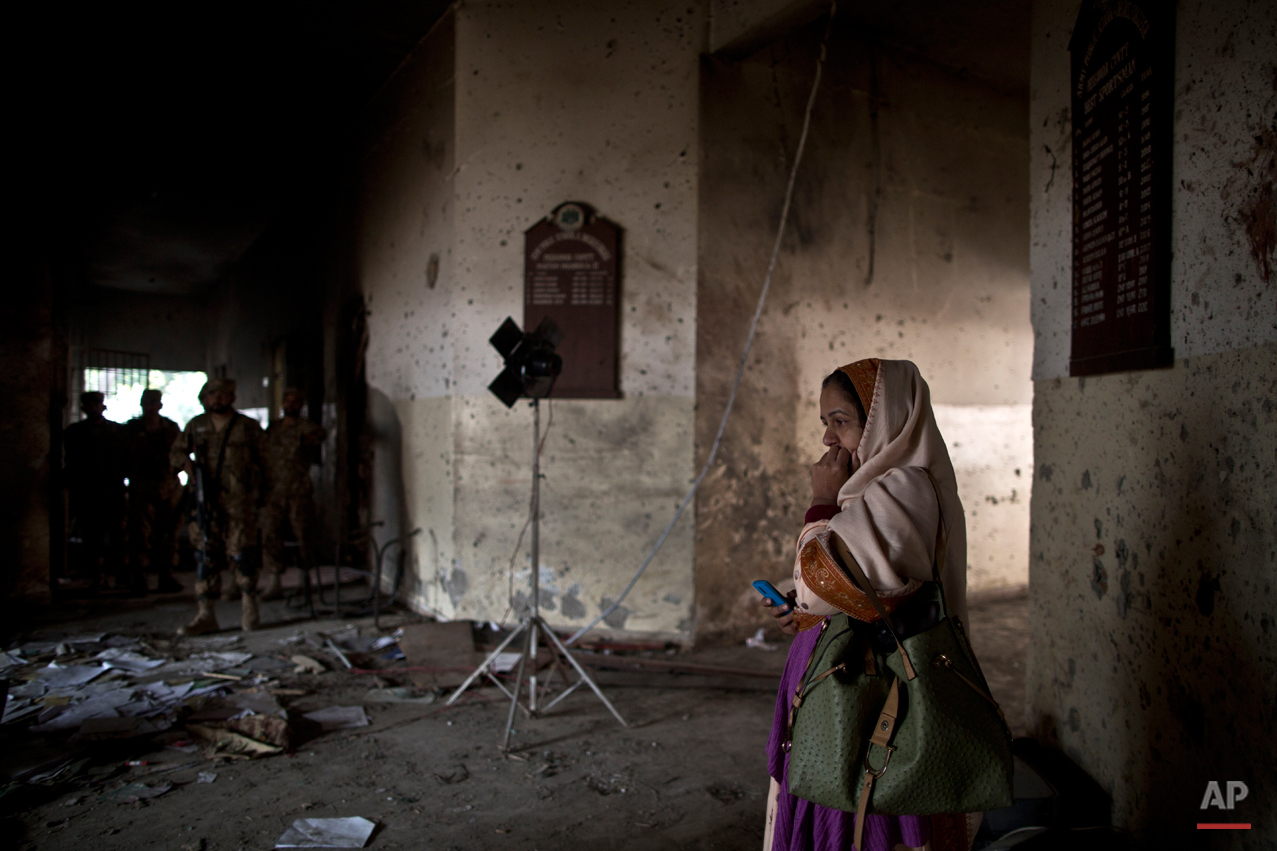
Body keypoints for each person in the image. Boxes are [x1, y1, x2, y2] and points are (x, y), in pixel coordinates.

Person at [760, 359, 976, 851]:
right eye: (825, 424)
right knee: (829, 801)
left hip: (879, 698)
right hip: (845, 687)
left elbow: (831, 577)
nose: (829, 440)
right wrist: (801, 606)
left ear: (884, 420)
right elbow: (840, 589)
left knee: (869, 811)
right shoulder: (870, 490)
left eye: (842, 422)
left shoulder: (906, 489)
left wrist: (820, 504)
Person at [171, 377, 266, 634]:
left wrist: (259, 493)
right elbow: (176, 453)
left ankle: (249, 607)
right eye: (212, 394)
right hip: (206, 502)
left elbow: (264, 460)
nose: (217, 398)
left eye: (223, 394)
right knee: (205, 556)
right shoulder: (196, 425)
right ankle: (205, 614)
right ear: (205, 398)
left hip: (238, 502)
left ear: (232, 397)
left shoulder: (247, 426)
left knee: (242, 553)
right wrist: (187, 466)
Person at [259, 387, 327, 600]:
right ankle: (274, 580)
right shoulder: (273, 428)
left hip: (298, 490)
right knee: (271, 534)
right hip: (273, 491)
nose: (290, 405)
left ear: (301, 405)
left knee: (303, 534)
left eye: (295, 401)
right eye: (287, 401)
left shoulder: (306, 427)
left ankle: (304, 578)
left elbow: (320, 435)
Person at [122, 389, 184, 594]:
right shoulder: (132, 429)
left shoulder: (170, 428)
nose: (150, 406)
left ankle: (166, 575)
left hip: (168, 485)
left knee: (169, 533)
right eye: (146, 402)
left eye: (154, 402)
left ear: (160, 405)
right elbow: (122, 456)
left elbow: (182, 454)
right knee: (139, 533)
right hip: (142, 486)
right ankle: (139, 576)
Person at [63, 391, 126, 591]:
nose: (94, 407)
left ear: (103, 406)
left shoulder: (116, 431)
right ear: (83, 407)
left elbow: (124, 460)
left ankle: (120, 575)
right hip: (87, 492)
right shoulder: (74, 432)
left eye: (97, 403)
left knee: (118, 535)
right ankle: (98, 575)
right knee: (91, 537)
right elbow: (71, 463)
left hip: (112, 490)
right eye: (89, 404)